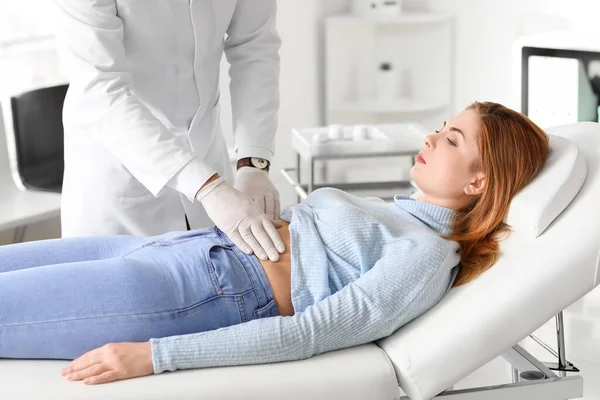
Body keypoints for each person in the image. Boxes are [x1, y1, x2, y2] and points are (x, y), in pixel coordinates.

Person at [0, 102, 550, 385]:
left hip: (198, 291)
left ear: (480, 181)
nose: (432, 137)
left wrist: (157, 356)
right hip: (176, 247)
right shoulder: (395, 210)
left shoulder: (429, 256)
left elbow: (308, 333)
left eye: (452, 139)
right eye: (441, 126)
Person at [54, 0, 285, 262]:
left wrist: (253, 163)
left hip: (208, 159)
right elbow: (101, 91)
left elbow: (255, 46)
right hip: (122, 179)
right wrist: (208, 188)